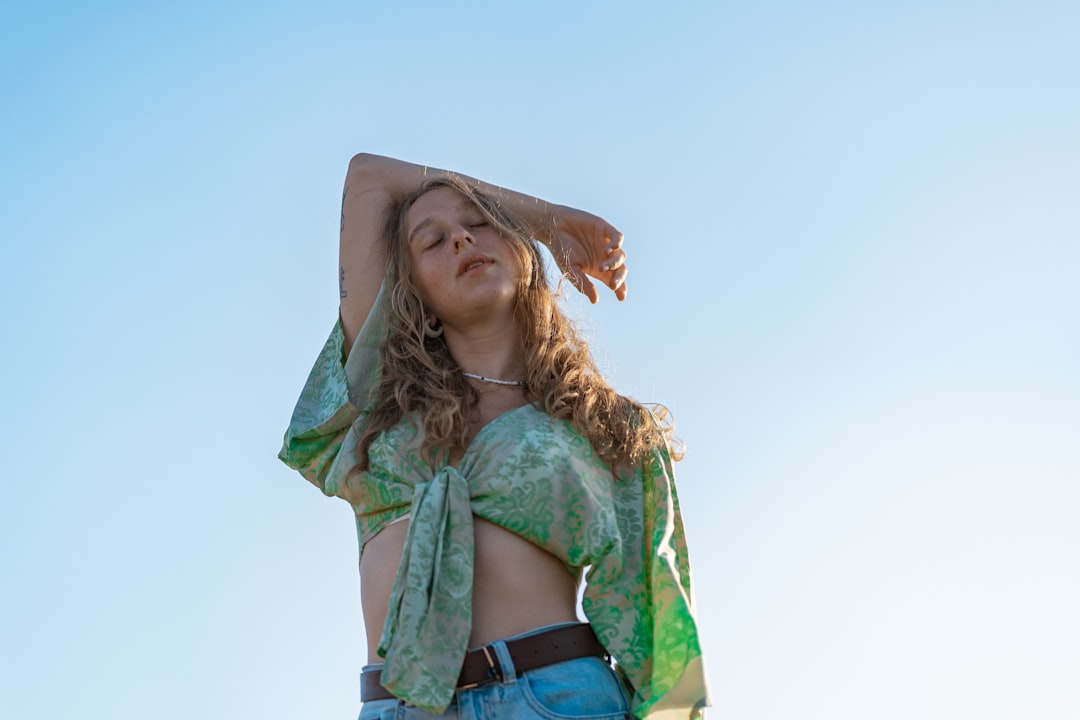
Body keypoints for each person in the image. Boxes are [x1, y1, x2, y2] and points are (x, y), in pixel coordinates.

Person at [279, 153, 708, 720]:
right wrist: (549, 219)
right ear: (416, 301)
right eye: (432, 242)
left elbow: (660, 625)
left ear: (522, 260)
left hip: (555, 696)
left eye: (479, 224)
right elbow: (369, 176)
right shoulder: (381, 396)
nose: (459, 238)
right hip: (400, 706)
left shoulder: (607, 423)